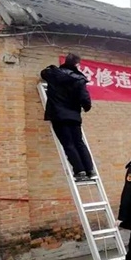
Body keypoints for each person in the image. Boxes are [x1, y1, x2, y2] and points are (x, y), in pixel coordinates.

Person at [40, 53, 95, 183]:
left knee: (68, 144)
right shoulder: (79, 79)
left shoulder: (53, 74)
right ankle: (89, 169)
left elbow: (43, 73)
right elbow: (85, 98)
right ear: (77, 64)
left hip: (58, 115)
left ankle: (80, 171)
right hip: (74, 116)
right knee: (79, 143)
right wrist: (86, 107)